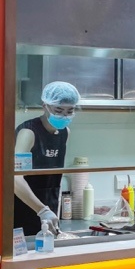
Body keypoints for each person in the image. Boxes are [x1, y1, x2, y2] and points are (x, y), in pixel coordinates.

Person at [13, 81, 80, 235]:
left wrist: (50, 211)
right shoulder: (28, 132)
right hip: (24, 209)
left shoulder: (65, 133)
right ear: (45, 106)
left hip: (49, 211)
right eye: (58, 110)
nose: (64, 115)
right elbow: (15, 178)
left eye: (70, 111)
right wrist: (41, 210)